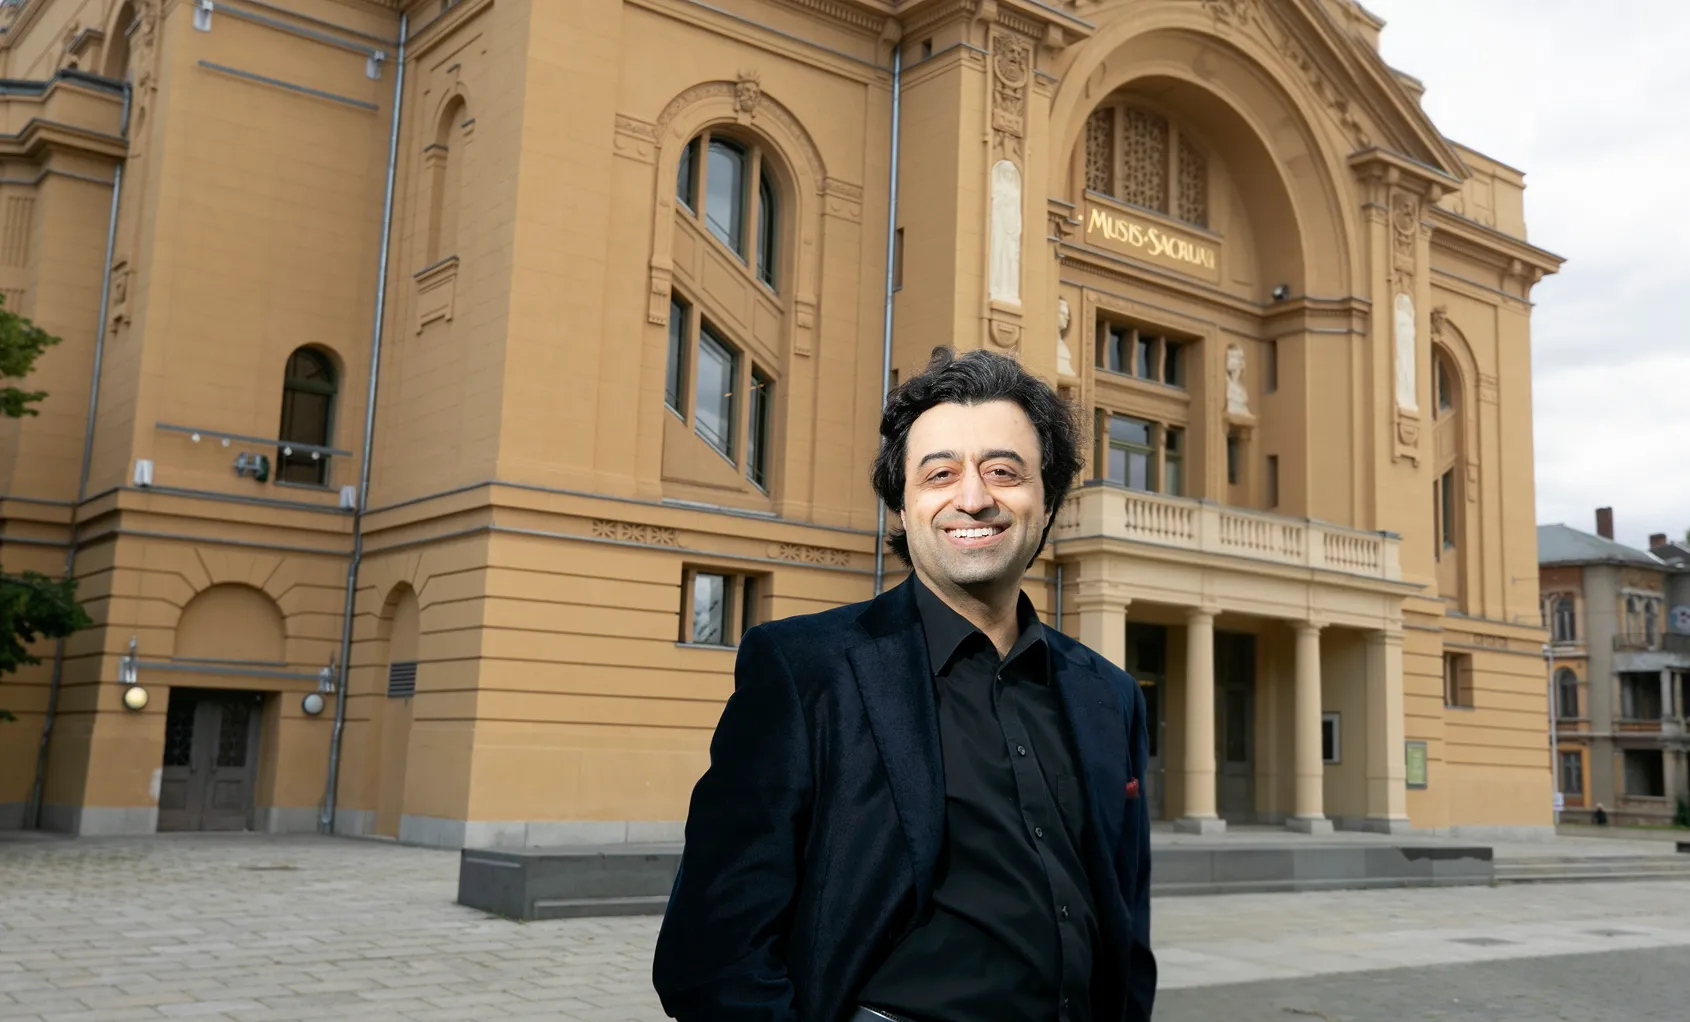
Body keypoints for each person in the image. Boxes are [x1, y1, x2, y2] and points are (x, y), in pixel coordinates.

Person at [652, 347, 1156, 1022]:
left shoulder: (1110, 695)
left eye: (1004, 472)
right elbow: (712, 954)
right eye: (939, 474)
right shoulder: (804, 669)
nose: (972, 498)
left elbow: (1126, 927)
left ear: (1048, 502)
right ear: (902, 506)